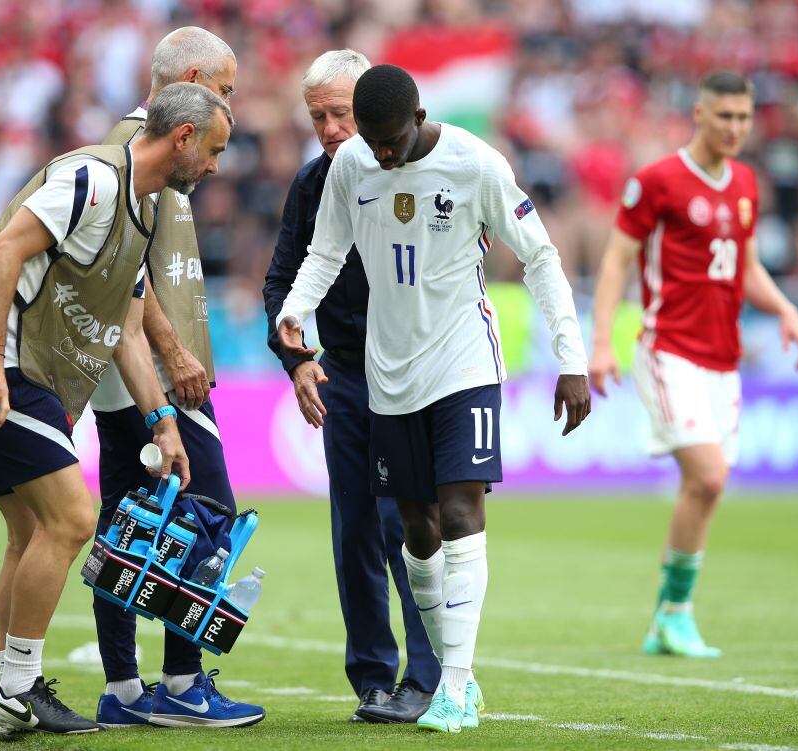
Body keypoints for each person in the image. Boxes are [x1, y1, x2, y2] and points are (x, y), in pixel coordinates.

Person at [276, 64, 591, 733]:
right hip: (389, 373)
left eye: (390, 140)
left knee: (457, 509)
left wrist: (572, 359)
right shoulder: (351, 166)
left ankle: (451, 683)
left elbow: (539, 255)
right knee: (415, 530)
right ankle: (458, 672)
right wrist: (296, 312)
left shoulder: (475, 163)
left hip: (464, 362)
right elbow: (325, 253)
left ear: (418, 117)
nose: (380, 154)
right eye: (370, 140)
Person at [0, 82, 232, 736]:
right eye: (212, 151)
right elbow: (7, 248)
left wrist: (162, 420)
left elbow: (125, 331)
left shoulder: (144, 209)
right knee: (71, 518)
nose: (214, 166)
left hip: (16, 368)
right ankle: (18, 690)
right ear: (182, 138)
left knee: (29, 532)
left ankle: (11, 693)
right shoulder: (92, 179)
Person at [589, 71, 798, 658]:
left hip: (722, 358)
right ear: (700, 114)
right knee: (708, 475)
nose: (736, 128)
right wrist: (602, 343)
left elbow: (746, 265)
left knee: (707, 488)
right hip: (667, 349)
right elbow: (616, 261)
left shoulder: (745, 182)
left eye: (744, 117)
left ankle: (668, 616)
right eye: (726, 117)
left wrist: (785, 309)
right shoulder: (657, 181)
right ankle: (676, 613)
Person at [87, 26, 263, 729]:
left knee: (128, 524)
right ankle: (184, 682)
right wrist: (175, 352)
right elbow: (127, 265)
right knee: (206, 515)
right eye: (225, 89)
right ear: (192, 77)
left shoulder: (144, 140)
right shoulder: (148, 145)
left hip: (138, 370)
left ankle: (124, 691)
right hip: (155, 376)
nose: (231, 105)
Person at [263, 50, 440, 725]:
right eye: (320, 117)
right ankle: (372, 675)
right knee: (355, 530)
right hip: (341, 373)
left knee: (408, 523)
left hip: (412, 370)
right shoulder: (312, 185)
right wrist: (298, 359)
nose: (332, 128)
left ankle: (425, 674)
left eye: (342, 113)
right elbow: (280, 282)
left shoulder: (421, 174)